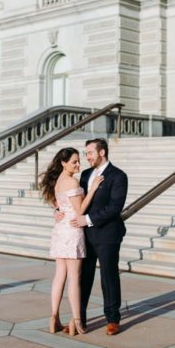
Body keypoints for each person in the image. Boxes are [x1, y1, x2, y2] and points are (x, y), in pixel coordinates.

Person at [65, 138, 129, 335]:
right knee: (83, 277)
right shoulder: (84, 174)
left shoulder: (118, 176)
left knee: (108, 277)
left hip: (108, 234)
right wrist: (59, 211)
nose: (87, 157)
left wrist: (88, 219)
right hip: (84, 235)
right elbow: (76, 200)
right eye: (86, 153)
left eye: (90, 153)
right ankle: (79, 319)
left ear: (102, 153)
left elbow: (114, 208)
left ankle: (112, 319)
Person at [40, 147, 103, 336]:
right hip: (72, 230)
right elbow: (81, 209)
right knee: (74, 278)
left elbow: (59, 206)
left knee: (59, 275)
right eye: (74, 161)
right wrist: (91, 190)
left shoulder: (57, 181)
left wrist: (57, 213)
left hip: (60, 231)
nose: (78, 164)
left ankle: (53, 317)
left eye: (78, 161)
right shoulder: (71, 181)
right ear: (63, 163)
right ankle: (77, 321)